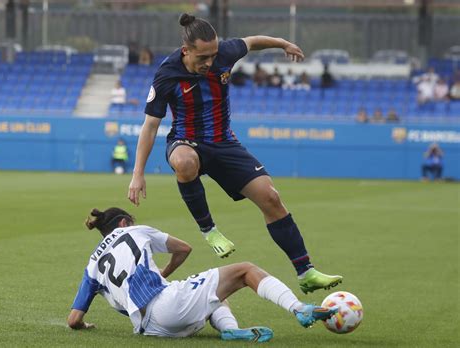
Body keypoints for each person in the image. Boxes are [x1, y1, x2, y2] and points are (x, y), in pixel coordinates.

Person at [127, 13, 343, 294]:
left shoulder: (224, 53)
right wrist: (137, 174)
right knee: (184, 162)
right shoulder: (166, 74)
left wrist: (283, 43)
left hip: (225, 143)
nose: (209, 62)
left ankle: (306, 272)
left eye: (213, 55)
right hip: (186, 140)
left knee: (271, 198)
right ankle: (209, 230)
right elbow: (150, 125)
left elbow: (252, 42)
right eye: (202, 57)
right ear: (186, 51)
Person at [67, 207, 337, 342]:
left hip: (152, 330)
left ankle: (231, 332)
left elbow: (74, 319)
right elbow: (184, 249)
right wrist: (164, 272)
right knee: (245, 270)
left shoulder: (92, 265)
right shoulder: (134, 231)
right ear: (124, 223)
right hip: (167, 305)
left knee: (214, 294)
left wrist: (83, 326)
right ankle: (298, 308)